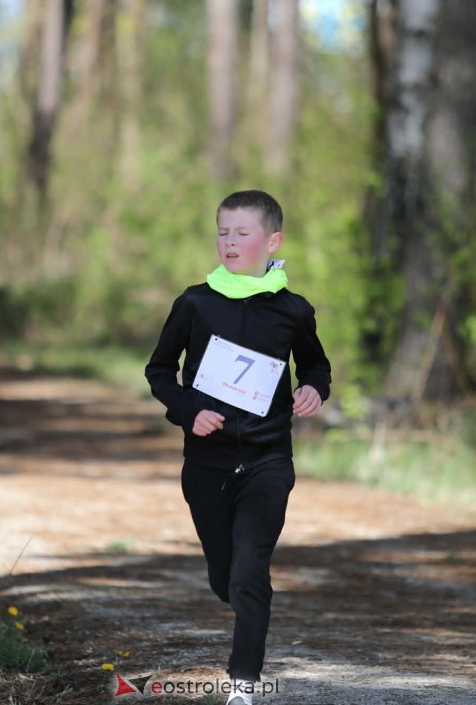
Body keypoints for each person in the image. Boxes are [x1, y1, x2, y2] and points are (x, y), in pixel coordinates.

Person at [145, 190, 332, 705]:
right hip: (207, 461)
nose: (229, 242)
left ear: (272, 241)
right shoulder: (195, 303)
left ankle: (242, 684)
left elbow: (315, 364)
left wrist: (314, 387)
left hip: (268, 459)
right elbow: (158, 370)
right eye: (223, 232)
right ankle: (236, 591)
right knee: (226, 578)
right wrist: (188, 411)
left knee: (250, 572)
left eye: (242, 233)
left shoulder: (293, 310)